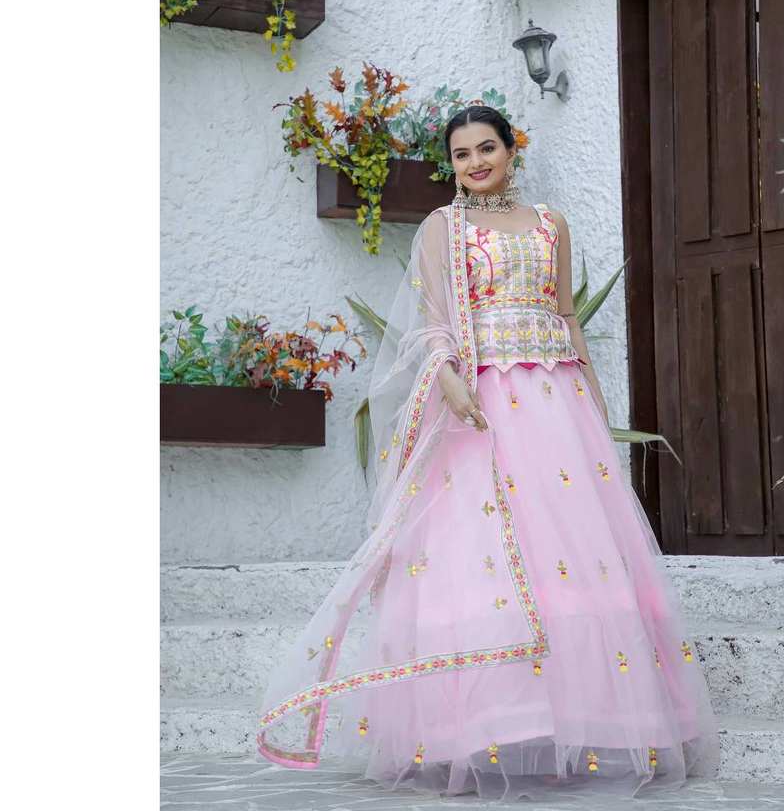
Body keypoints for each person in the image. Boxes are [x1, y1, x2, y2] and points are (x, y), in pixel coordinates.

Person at [256, 105, 720, 801]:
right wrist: (449, 380)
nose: (475, 163)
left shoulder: (550, 223)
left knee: (571, 550)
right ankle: (481, 728)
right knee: (486, 554)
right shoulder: (445, 228)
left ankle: (582, 719)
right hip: (483, 403)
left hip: (556, 402)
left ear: (510, 150)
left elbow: (566, 316)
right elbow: (434, 321)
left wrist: (593, 405)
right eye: (461, 154)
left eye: (487, 148)